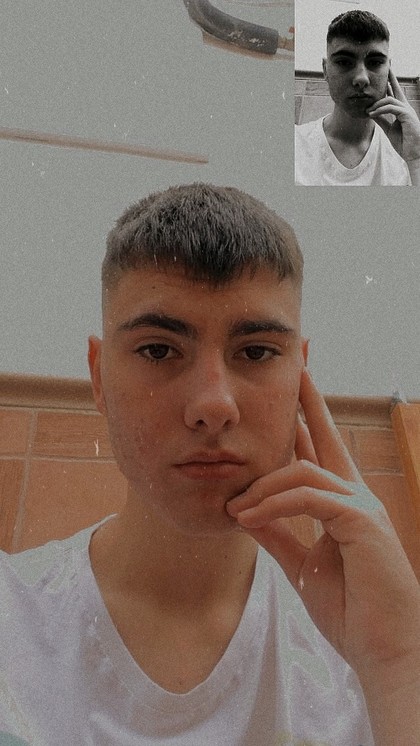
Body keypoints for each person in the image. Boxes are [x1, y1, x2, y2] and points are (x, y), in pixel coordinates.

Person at [0, 183, 419, 745]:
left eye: (256, 352)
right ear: (99, 377)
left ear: (300, 374)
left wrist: (398, 664)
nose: (214, 405)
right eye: (157, 350)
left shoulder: (369, 652)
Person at [295, 10, 420, 186]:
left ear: (389, 70)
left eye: (375, 62)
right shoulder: (293, 144)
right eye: (344, 62)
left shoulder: (407, 153)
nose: (361, 78)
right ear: (325, 69)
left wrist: (416, 161)